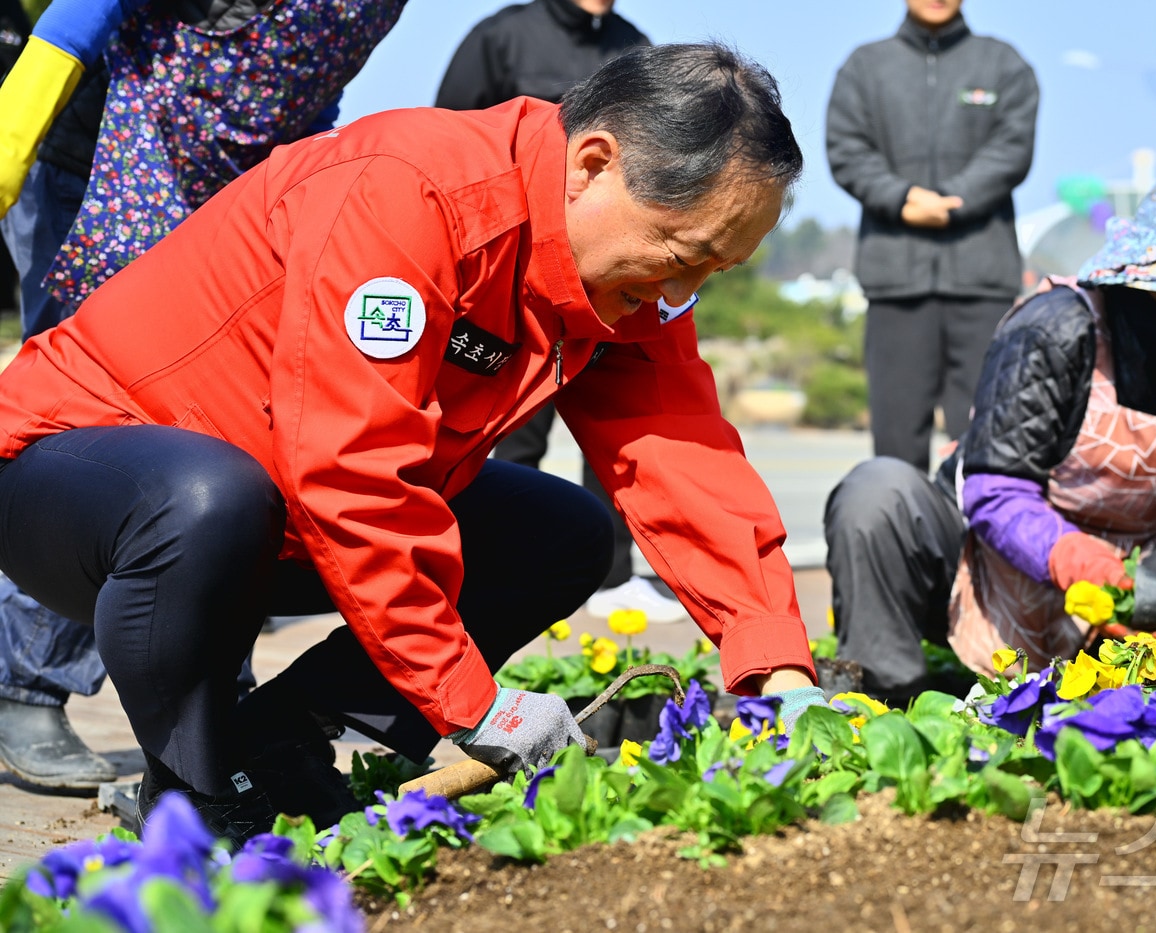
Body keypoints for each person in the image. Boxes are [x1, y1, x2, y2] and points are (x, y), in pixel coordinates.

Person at [0, 42, 827, 844]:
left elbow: (685, 457)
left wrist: (779, 670)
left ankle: (276, 738)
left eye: (713, 272)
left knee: (562, 532)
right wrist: (473, 702)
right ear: (593, 165)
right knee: (209, 500)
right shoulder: (413, 194)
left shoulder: (630, 286)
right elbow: (352, 474)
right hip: (80, 479)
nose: (679, 291)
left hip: (279, 509)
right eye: (683, 254)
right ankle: (197, 790)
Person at [0, 0, 402, 790]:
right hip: (108, 160)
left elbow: (310, 82)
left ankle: (208, 687)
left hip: (237, 186)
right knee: (95, 416)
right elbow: (83, 12)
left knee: (234, 420)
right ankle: (25, 685)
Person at [823, 168, 1156, 702]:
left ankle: (1146, 690)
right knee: (877, 495)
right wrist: (1068, 555)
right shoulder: (1056, 327)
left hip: (1133, 590)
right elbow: (995, 487)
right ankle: (883, 694)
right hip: (982, 565)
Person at [436, 0, 686, 623]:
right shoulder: (501, 35)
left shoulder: (635, 44)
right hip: (516, 280)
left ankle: (617, 576)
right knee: (514, 433)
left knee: (622, 435)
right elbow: (451, 137)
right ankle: (489, 563)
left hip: (609, 278)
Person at [825, 0, 1038, 472]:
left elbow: (1012, 148)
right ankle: (905, 545)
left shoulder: (1003, 64)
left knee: (988, 441)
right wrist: (900, 197)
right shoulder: (865, 67)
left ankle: (980, 545)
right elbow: (846, 148)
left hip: (982, 283)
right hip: (895, 284)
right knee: (896, 446)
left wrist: (952, 201)